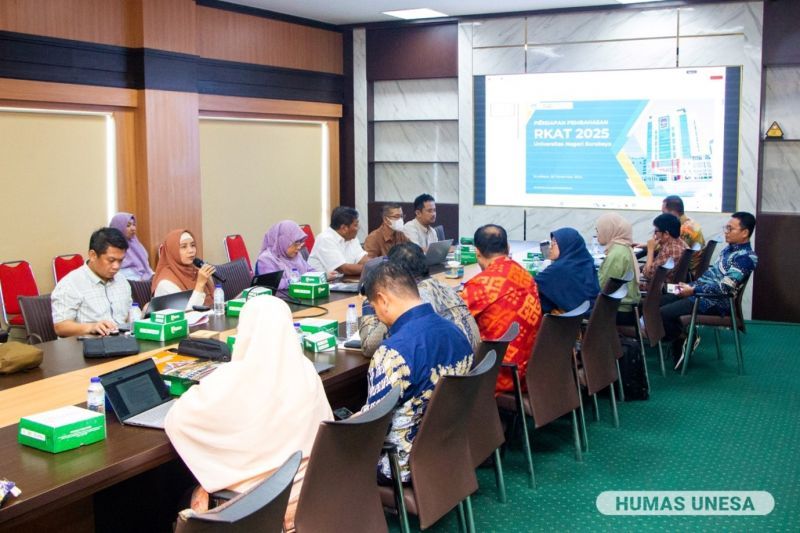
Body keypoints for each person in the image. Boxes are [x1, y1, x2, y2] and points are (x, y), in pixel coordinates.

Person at [165, 296, 332, 530]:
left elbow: (177, 419)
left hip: (255, 507)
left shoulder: (232, 380)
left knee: (179, 495)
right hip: (309, 499)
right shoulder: (306, 369)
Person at [360, 262, 473, 483]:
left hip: (399, 465)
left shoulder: (391, 353)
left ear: (383, 300)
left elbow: (371, 430)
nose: (377, 314)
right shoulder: (458, 333)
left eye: (373, 307)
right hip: (447, 450)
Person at [660, 212, 758, 369]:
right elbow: (711, 276)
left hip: (714, 301)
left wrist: (693, 290)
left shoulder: (745, 258)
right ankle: (683, 336)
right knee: (658, 302)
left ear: (745, 232)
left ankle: (684, 337)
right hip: (700, 293)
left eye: (730, 229)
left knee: (663, 313)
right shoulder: (728, 250)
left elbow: (725, 287)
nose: (726, 231)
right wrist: (691, 286)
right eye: (726, 227)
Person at [359, 242, 480, 357]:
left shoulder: (410, 299)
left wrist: (372, 302)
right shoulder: (446, 287)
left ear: (396, 274)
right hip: (471, 368)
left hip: (447, 372)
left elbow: (369, 347)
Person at [461, 224, 542, 395]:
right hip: (534, 368)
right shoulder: (526, 275)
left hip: (500, 373)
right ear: (508, 247)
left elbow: (455, 323)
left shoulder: (479, 285)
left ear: (477, 252)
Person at [51, 227, 132, 337]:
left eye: (120, 260)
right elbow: (60, 327)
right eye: (111, 260)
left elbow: (127, 315)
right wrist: (91, 327)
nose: (116, 266)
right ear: (93, 255)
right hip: (87, 347)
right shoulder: (70, 284)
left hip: (123, 342)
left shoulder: (121, 280)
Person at [535, 227, 600, 314]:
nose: (550, 247)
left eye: (554, 243)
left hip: (571, 319)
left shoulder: (559, 268)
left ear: (565, 245)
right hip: (590, 313)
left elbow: (532, 285)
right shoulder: (586, 260)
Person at [152, 229, 215, 309]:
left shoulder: (196, 271)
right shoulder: (165, 283)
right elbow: (186, 315)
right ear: (173, 251)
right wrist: (200, 284)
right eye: (184, 247)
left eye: (193, 245)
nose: (191, 251)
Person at [596, 213, 641, 326]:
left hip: (617, 309)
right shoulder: (623, 248)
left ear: (609, 230)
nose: (597, 234)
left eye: (598, 230)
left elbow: (603, 286)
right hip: (626, 306)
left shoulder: (617, 254)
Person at [308, 206, 368, 275]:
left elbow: (362, 259)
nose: (358, 228)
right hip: (324, 284)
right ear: (344, 228)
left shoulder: (350, 237)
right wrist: (370, 268)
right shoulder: (325, 239)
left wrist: (378, 265)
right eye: (355, 225)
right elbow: (344, 269)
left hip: (342, 281)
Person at [254, 220, 313, 288]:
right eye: (296, 243)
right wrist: (301, 280)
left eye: (300, 242)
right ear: (283, 241)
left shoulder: (296, 255)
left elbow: (310, 270)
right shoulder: (266, 259)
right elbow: (272, 284)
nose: (299, 247)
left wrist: (322, 276)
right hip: (278, 297)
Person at [641, 213, 688, 283]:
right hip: (662, 285)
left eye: (656, 231)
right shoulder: (679, 243)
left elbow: (648, 274)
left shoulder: (670, 250)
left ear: (666, 234)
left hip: (657, 288)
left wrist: (650, 250)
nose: (654, 235)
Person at [109, 212, 154, 281]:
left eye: (134, 225)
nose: (133, 228)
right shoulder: (113, 248)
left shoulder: (136, 244)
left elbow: (147, 269)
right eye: (128, 225)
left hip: (145, 281)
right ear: (119, 227)